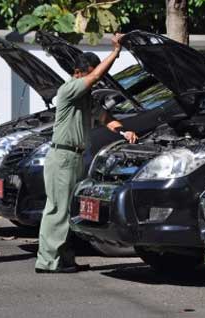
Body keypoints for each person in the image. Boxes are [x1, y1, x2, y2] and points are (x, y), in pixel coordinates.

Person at [35, 34, 138, 274]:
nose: (95, 82)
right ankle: (47, 261)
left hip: (75, 157)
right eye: (91, 75)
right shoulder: (69, 88)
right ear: (80, 72)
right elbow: (96, 76)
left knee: (68, 211)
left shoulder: (85, 97)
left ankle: (65, 259)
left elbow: (105, 118)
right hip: (62, 157)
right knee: (57, 209)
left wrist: (124, 131)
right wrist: (115, 52)